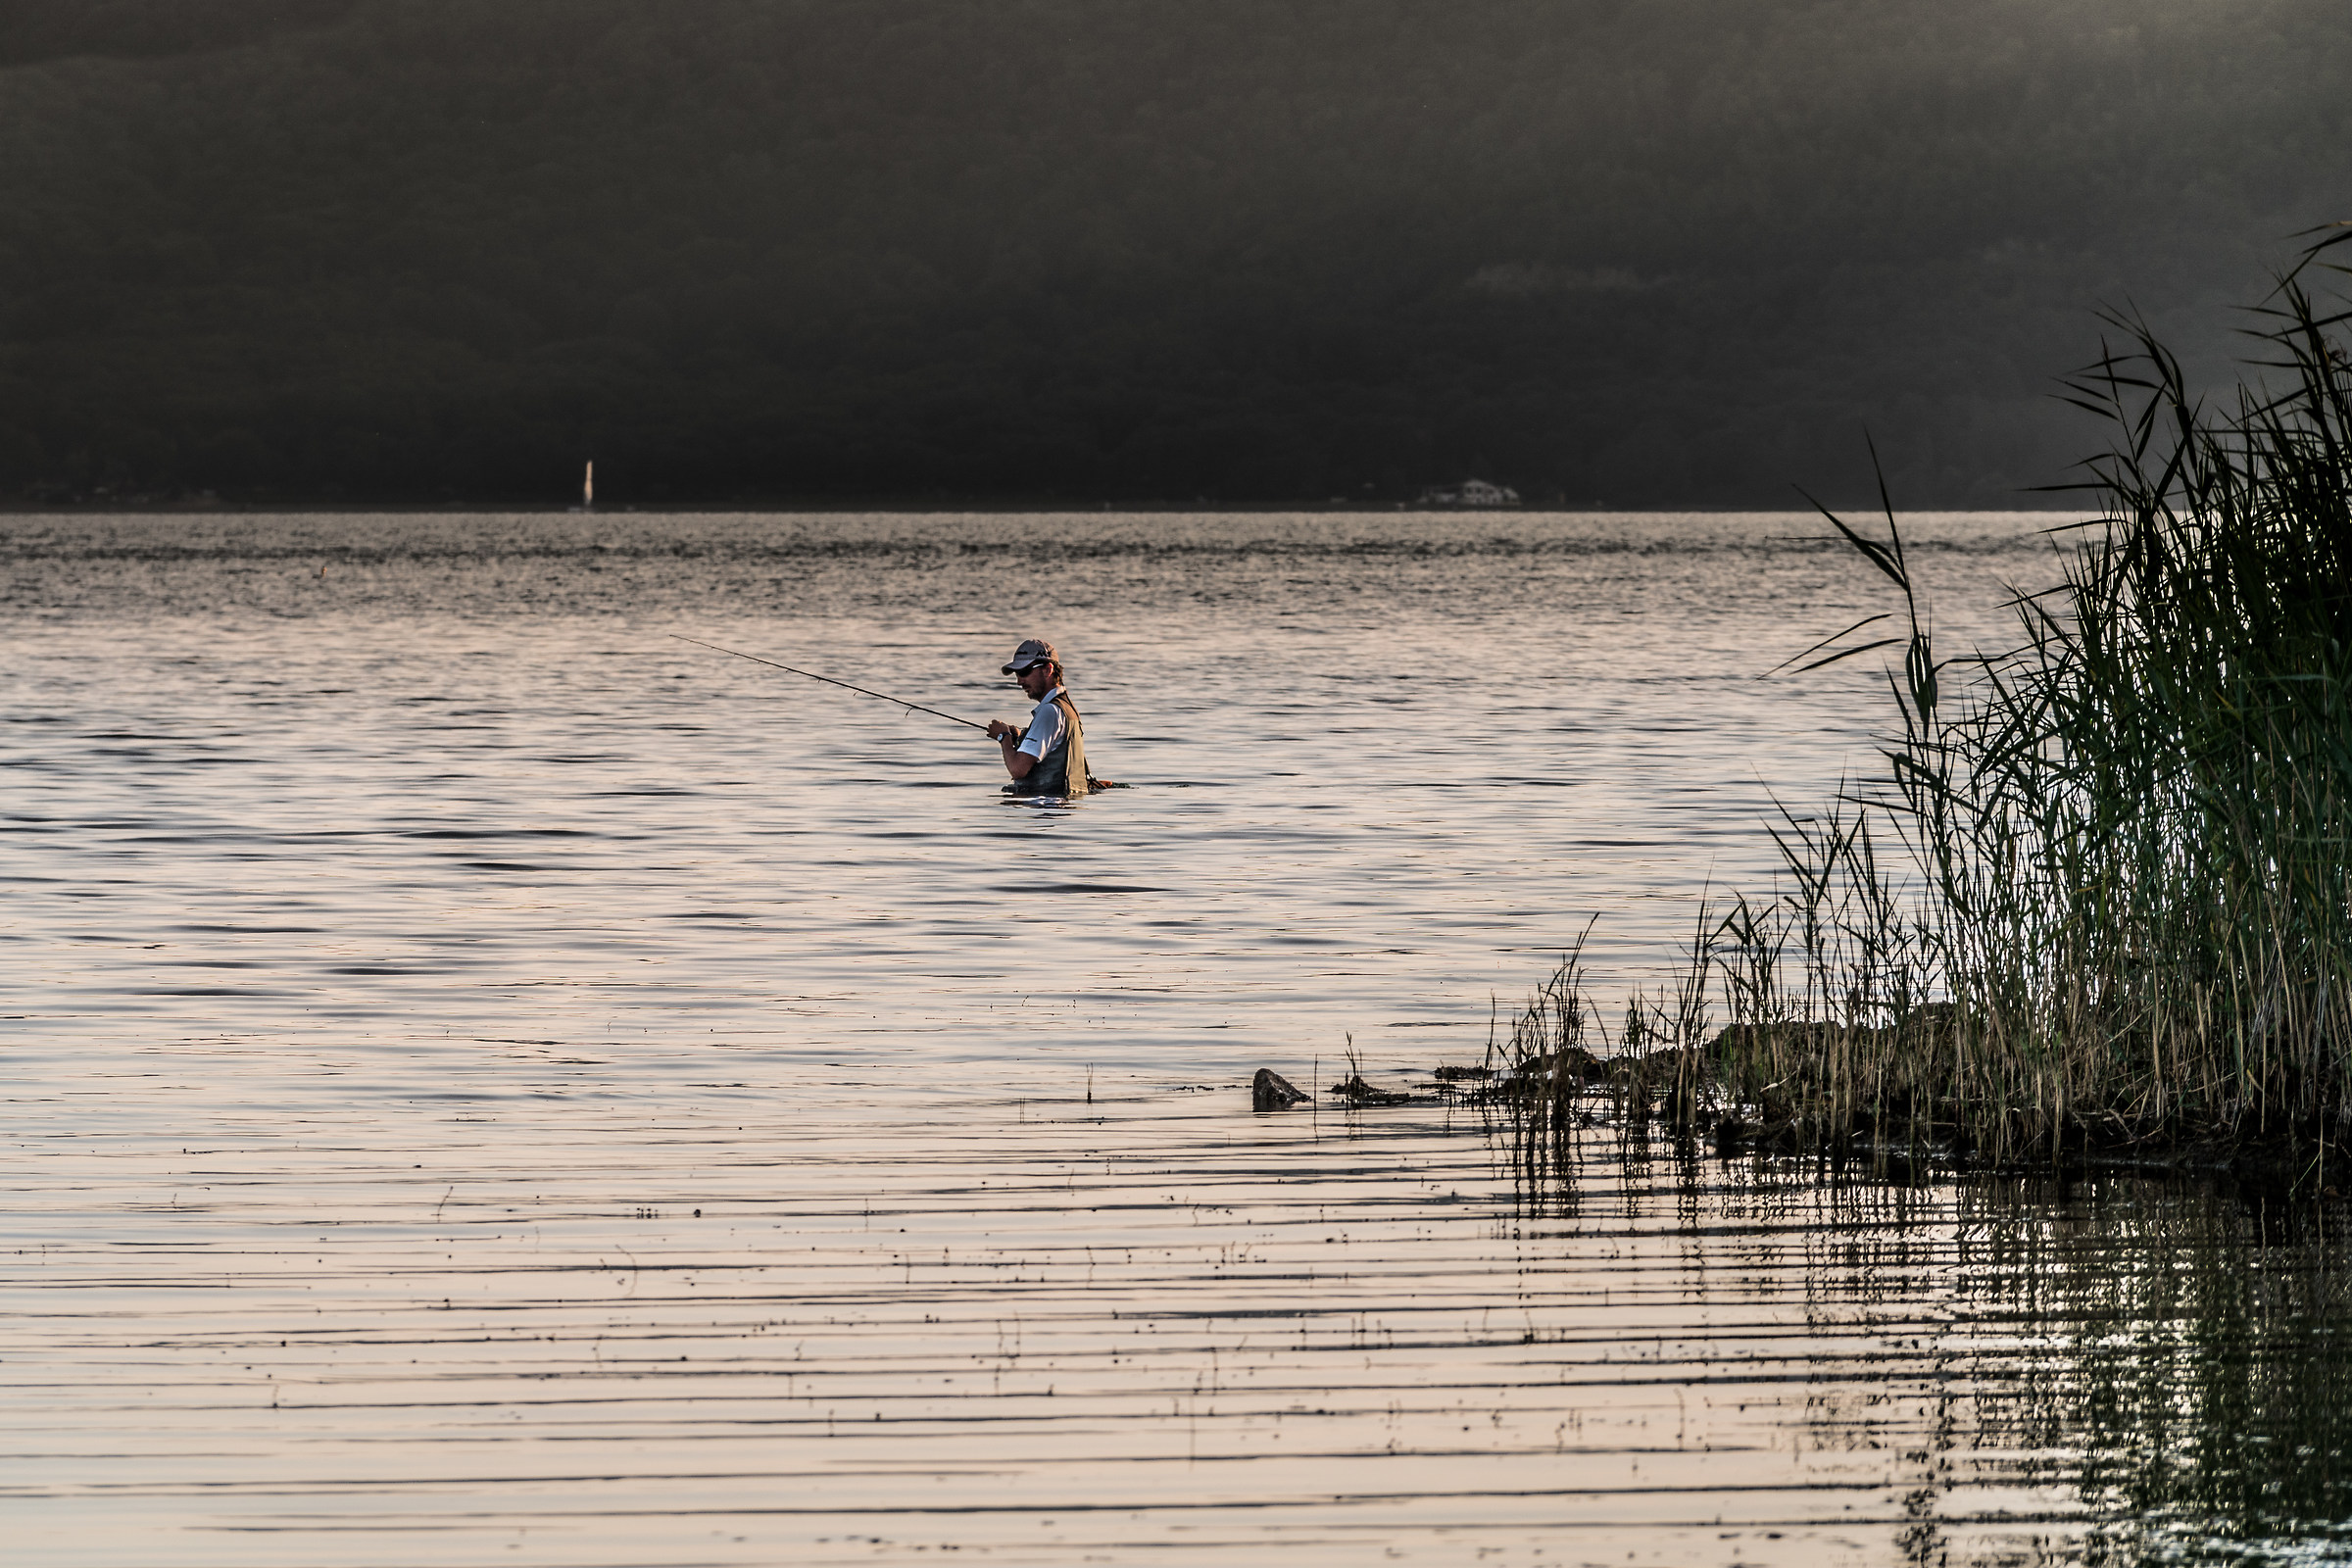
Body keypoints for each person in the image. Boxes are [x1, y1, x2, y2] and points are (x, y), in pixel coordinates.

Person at [986, 638, 1097, 796]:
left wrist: (1003, 737)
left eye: (1024, 672)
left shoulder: (1049, 711)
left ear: (1047, 670)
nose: (1019, 681)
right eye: (1017, 674)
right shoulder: (1066, 707)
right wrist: (1018, 737)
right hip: (1061, 808)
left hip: (1046, 811)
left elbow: (1018, 769)